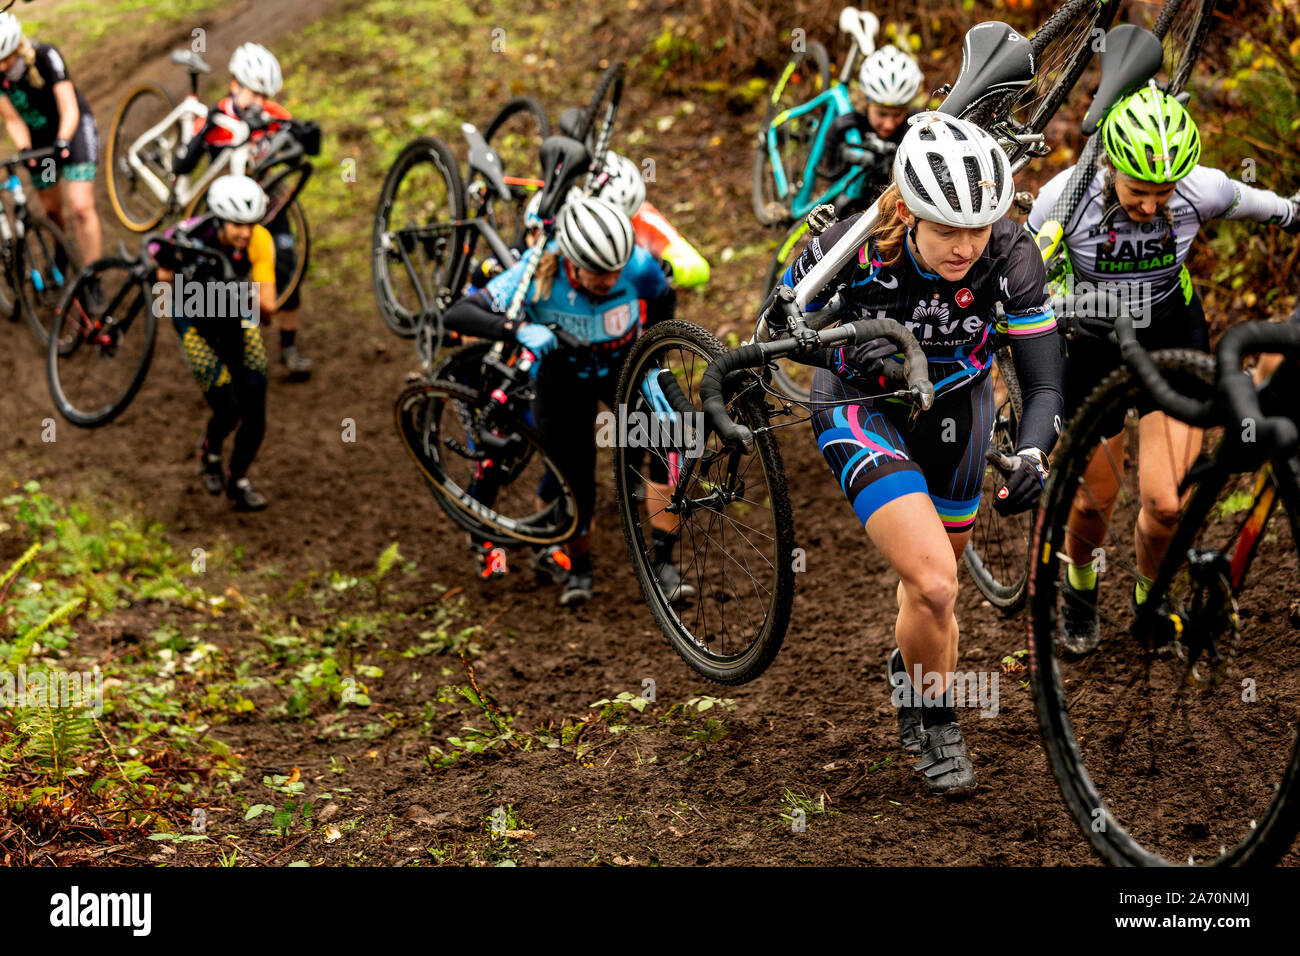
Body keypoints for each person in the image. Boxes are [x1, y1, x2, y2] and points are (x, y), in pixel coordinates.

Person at [781, 113, 1064, 795]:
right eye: (946, 229)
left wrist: (1031, 454)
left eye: (979, 226)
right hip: (860, 404)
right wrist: (846, 344)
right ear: (906, 210)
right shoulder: (849, 245)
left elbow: (1047, 380)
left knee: (934, 594)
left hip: (960, 407)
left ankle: (913, 669)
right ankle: (935, 718)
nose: (966, 246)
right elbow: (784, 325)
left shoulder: (1012, 252)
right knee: (937, 580)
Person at [1027, 84, 1300, 655]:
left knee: (1168, 504)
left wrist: (1295, 213)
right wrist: (1063, 309)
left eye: (1164, 194)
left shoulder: (1203, 189)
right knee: (1092, 500)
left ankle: (1150, 597)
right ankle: (1080, 589)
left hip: (1171, 333)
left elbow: (1272, 207)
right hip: (1095, 340)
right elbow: (1022, 282)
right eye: (1138, 192)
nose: (1153, 207)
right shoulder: (1064, 197)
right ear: (1108, 167)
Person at [441, 194, 690, 606]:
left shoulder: (637, 264)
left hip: (622, 370)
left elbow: (663, 299)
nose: (608, 281)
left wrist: (652, 355)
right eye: (596, 273)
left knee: (671, 443)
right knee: (576, 480)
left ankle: (663, 561)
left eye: (613, 272)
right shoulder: (537, 271)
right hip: (561, 381)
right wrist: (515, 328)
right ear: (571, 261)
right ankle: (580, 569)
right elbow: (459, 315)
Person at [173, 42, 312, 379]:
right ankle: (216, 342)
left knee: (288, 262)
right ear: (235, 85)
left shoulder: (277, 117)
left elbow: (296, 155)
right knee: (211, 274)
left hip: (267, 205)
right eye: (255, 94)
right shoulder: (215, 115)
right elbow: (184, 164)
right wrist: (204, 130)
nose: (261, 103)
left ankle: (288, 345)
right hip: (222, 211)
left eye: (267, 96)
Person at [151, 175, 276, 511]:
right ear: (219, 219)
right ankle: (211, 450)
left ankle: (238, 479)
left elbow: (269, 309)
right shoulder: (189, 235)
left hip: (236, 315)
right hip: (193, 320)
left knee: (255, 407)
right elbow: (160, 278)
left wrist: (235, 291)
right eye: (237, 225)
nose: (245, 233)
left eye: (250, 225)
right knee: (227, 405)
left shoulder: (260, 241)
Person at [0, 12, 101, 266]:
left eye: (7, 59)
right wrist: (24, 149)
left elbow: (68, 107)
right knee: (52, 209)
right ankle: (62, 249)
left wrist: (63, 140)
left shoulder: (46, 55)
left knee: (80, 206)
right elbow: (12, 119)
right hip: (42, 145)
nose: (2, 67)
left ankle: (95, 274)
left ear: (17, 47)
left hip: (72, 132)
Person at [818, 44, 925, 213]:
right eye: (881, 114)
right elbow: (832, 178)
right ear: (866, 101)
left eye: (898, 114)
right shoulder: (848, 125)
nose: (889, 124)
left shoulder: (915, 127)